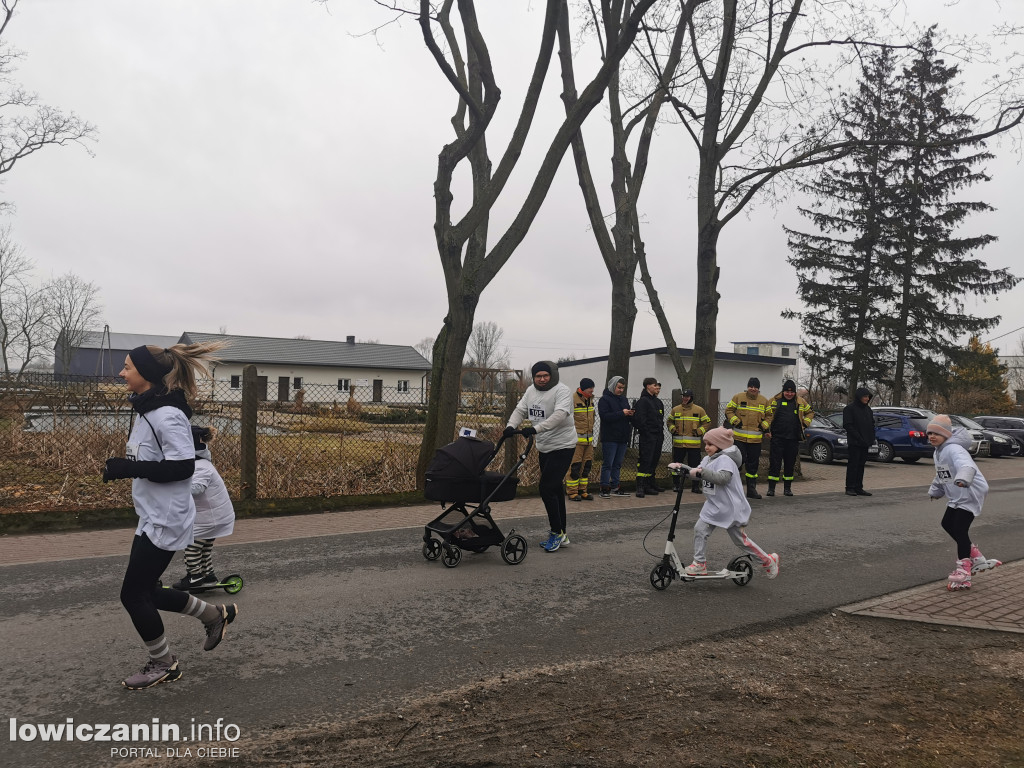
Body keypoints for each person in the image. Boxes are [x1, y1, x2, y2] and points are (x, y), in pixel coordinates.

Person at [102, 342, 238, 690]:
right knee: (147, 590)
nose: (121, 373)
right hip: (151, 515)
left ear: (146, 375)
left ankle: (163, 664)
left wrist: (128, 468)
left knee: (133, 595)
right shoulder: (150, 410)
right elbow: (169, 449)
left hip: (167, 519)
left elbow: (180, 468)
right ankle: (215, 614)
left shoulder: (165, 414)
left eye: (128, 367)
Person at [680, 426, 779, 579]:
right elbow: (697, 472)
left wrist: (701, 472)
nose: (706, 447)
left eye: (710, 444)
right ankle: (699, 563)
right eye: (705, 444)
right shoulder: (707, 459)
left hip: (730, 508)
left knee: (741, 542)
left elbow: (722, 478)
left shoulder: (725, 460)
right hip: (714, 505)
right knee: (700, 530)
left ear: (720, 445)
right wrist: (682, 468)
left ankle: (768, 561)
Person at [504, 361, 577, 552]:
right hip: (544, 447)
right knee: (555, 489)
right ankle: (563, 533)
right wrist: (510, 426)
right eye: (538, 376)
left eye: (545, 375)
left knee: (546, 488)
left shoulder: (562, 391)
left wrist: (536, 428)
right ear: (534, 377)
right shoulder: (531, 391)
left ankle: (556, 532)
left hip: (563, 446)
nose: (542, 379)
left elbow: (560, 415)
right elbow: (521, 409)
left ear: (552, 375)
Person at [926, 415, 1001, 591]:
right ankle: (975, 555)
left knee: (960, 529)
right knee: (947, 523)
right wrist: (936, 491)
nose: (932, 436)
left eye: (936, 433)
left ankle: (964, 572)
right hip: (957, 494)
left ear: (946, 435)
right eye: (929, 433)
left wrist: (963, 478)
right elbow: (942, 473)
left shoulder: (954, 449)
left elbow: (967, 466)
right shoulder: (938, 452)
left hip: (970, 491)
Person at [170, 426, 236, 591]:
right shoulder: (200, 463)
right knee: (204, 549)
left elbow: (197, 488)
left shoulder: (200, 466)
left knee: (191, 547)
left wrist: (173, 489)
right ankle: (208, 576)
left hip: (209, 519)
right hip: (215, 517)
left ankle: (195, 577)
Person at [765, 380, 813, 497]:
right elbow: (765, 414)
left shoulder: (800, 402)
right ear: (783, 391)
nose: (789, 394)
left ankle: (787, 488)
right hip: (777, 438)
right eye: (787, 391)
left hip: (793, 439)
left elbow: (810, 413)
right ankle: (771, 489)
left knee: (789, 464)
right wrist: (767, 429)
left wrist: (805, 424)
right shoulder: (774, 401)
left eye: (791, 392)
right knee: (774, 464)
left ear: (794, 392)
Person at [724, 377, 771, 499]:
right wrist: (735, 421)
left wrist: (764, 426)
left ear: (758, 388)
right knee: (737, 464)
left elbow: (770, 416)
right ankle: (734, 489)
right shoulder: (738, 397)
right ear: (748, 387)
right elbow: (729, 410)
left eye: (755, 387)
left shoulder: (764, 401)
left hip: (755, 441)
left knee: (753, 466)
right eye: (751, 386)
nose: (753, 389)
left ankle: (751, 490)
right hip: (739, 439)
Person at [666, 388, 710, 493]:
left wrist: (700, 431)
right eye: (683, 396)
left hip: (694, 446)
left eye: (687, 397)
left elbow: (707, 422)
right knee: (676, 466)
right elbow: (669, 422)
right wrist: (672, 429)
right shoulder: (675, 409)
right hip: (678, 445)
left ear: (691, 398)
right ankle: (676, 485)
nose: (685, 398)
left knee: (695, 466)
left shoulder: (699, 410)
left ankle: (695, 486)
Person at [597, 376, 634, 498]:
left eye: (623, 388)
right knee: (608, 463)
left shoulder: (623, 399)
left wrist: (630, 414)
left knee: (618, 464)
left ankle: (615, 486)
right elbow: (605, 416)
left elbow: (625, 415)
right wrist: (621, 413)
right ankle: (604, 487)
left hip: (622, 436)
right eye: (619, 387)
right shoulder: (604, 400)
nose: (621, 390)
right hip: (610, 437)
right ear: (613, 386)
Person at [632, 377, 665, 498]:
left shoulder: (658, 402)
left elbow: (660, 420)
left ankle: (650, 483)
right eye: (655, 385)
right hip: (648, 437)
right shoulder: (643, 402)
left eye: (657, 385)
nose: (657, 387)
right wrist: (647, 432)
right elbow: (640, 420)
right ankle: (641, 485)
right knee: (645, 460)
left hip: (658, 436)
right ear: (648, 386)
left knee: (654, 460)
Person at [565, 378, 596, 502]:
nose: (592, 390)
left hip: (588, 441)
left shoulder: (590, 399)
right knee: (575, 467)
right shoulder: (572, 399)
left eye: (593, 388)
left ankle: (583, 490)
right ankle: (572, 492)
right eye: (590, 388)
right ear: (583, 388)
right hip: (576, 441)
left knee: (586, 466)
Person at [842, 387, 876, 497]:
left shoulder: (868, 410)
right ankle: (850, 487)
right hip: (855, 442)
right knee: (853, 465)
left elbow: (871, 425)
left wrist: (871, 438)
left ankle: (858, 487)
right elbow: (848, 425)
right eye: (864, 396)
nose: (866, 399)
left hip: (865, 443)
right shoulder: (849, 409)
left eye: (867, 397)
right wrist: (859, 438)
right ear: (859, 397)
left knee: (861, 465)